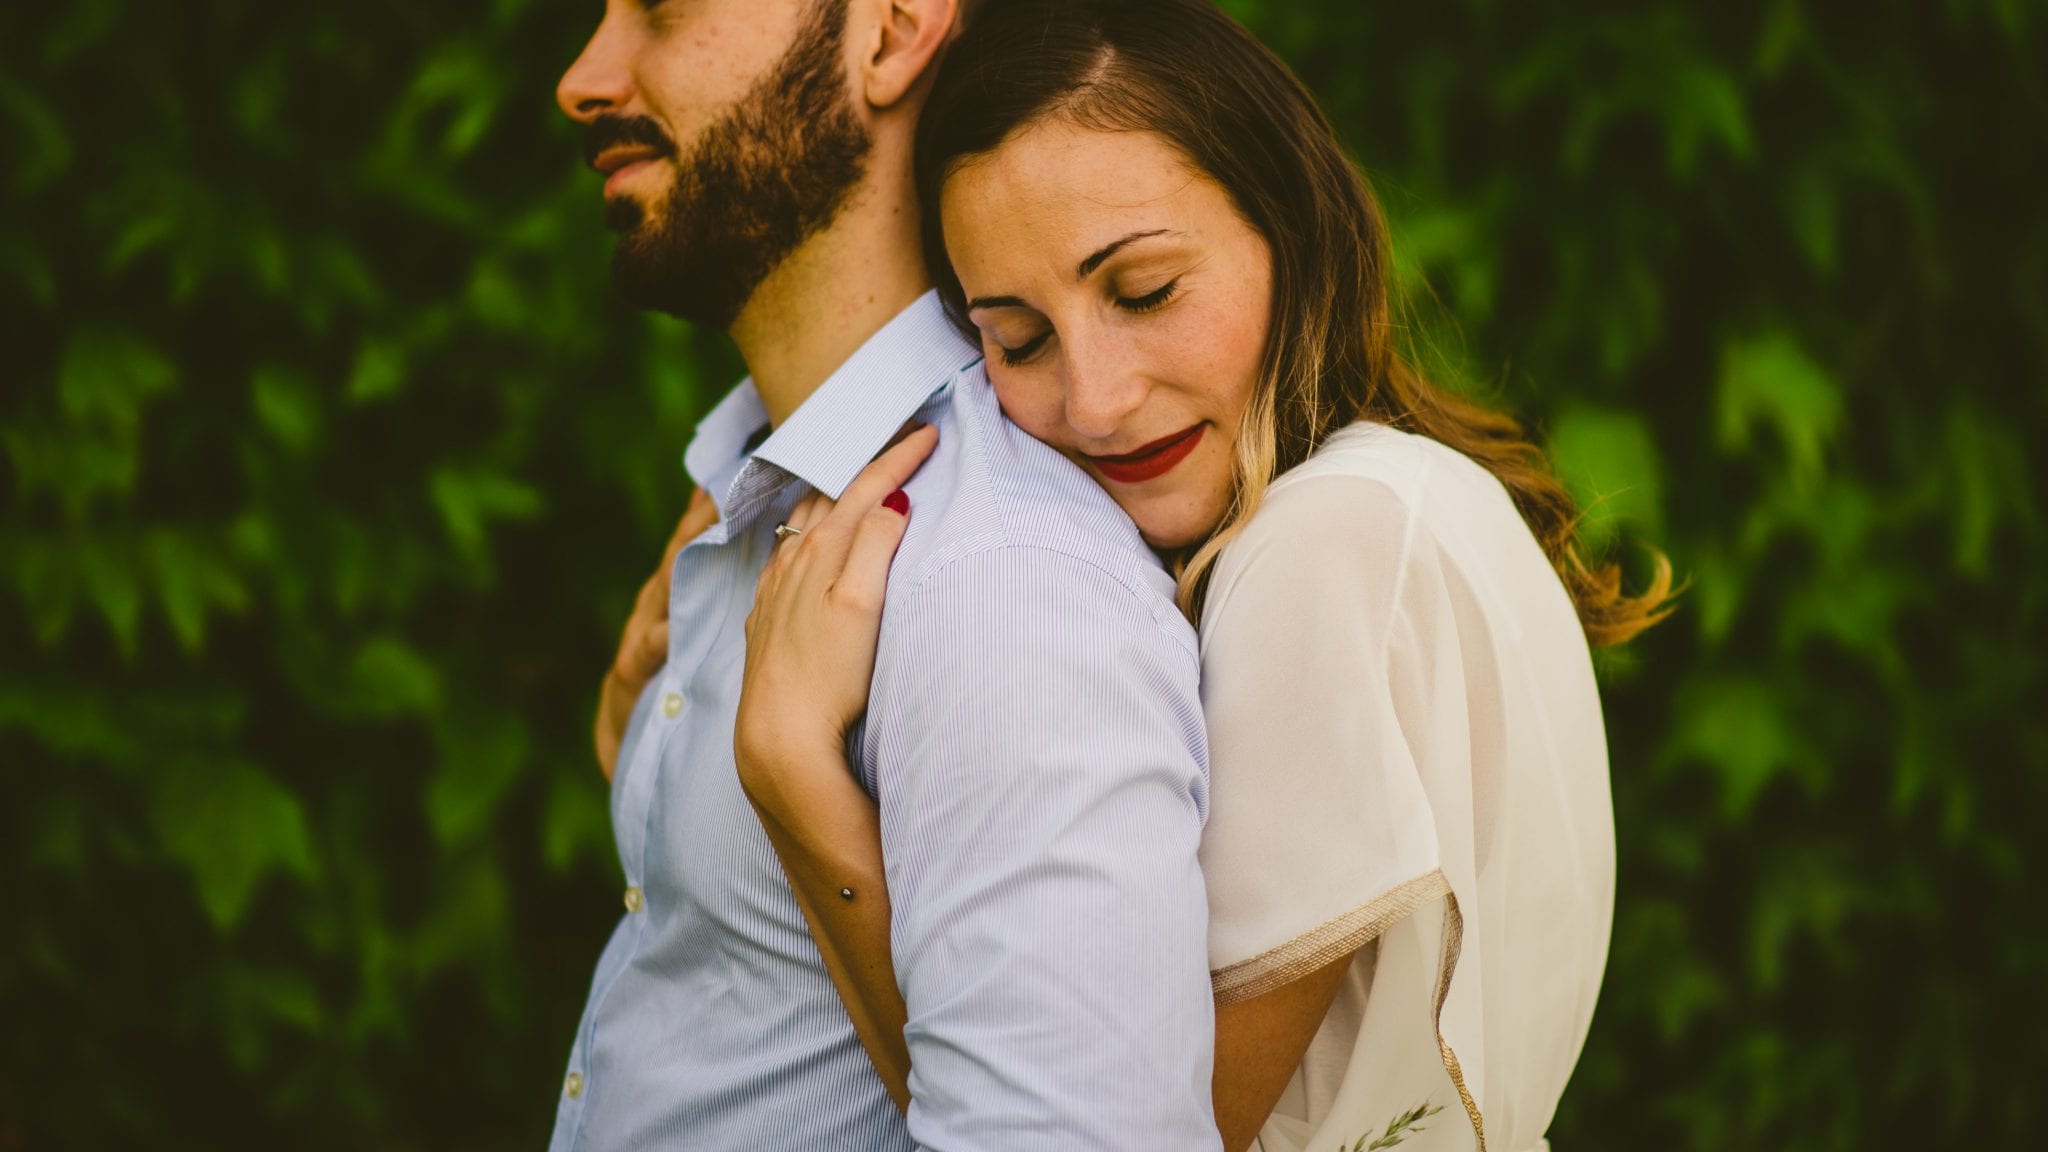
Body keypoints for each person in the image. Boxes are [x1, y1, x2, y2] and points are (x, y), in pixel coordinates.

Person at [604, 0, 1678, 1149]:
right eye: (1017, 340)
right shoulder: (1384, 505)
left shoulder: (1331, 540)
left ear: (1289, 231)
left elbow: (1115, 1128)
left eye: (1145, 290)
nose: (1096, 400)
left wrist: (794, 782)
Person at [555, 0, 1223, 1148]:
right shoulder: (759, 498)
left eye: (660, 8)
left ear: (892, 27)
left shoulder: (996, 581)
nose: (582, 77)